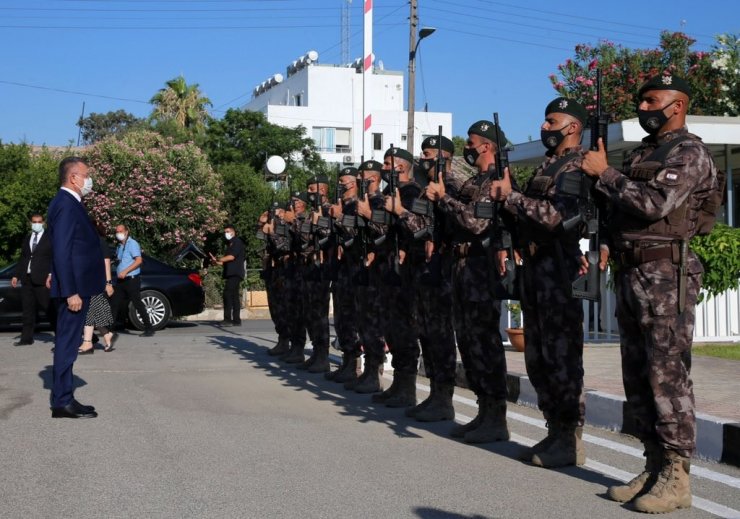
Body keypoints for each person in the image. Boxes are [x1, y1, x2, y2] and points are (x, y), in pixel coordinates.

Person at [582, 73, 724, 513]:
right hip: (632, 270)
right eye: (642, 101)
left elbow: (652, 205)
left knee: (668, 376)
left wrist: (604, 173)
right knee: (638, 374)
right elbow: (623, 211)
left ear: (677, 105)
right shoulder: (646, 153)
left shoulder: (690, 152)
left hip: (666, 274)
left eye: (651, 100)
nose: (643, 108)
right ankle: (654, 462)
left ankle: (677, 476)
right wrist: (604, 238)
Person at [489, 97, 591, 467]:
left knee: (562, 357)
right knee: (539, 357)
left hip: (557, 270)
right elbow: (526, 218)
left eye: (552, 121)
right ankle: (555, 432)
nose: (544, 127)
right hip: (535, 267)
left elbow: (555, 217)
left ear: (573, 127)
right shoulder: (549, 166)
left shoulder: (578, 165)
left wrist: (512, 197)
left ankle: (569, 438)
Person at [424, 120, 511, 443]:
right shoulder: (475, 180)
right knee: (469, 343)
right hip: (461, 267)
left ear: (487, 146)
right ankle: (484, 411)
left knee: (484, 343)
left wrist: (444, 197)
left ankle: (496, 417)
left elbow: (475, 223)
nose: (468, 148)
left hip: (480, 267)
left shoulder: (496, 180)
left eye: (472, 143)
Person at [391, 135, 458, 422]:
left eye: (429, 154)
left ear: (444, 156)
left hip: (440, 271)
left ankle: (444, 399)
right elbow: (420, 228)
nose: (424, 159)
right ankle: (435, 395)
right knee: (428, 335)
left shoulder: (453, 187)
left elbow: (424, 227)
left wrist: (399, 212)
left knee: (440, 336)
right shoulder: (425, 190)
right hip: (423, 271)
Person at [47, 157, 104, 418]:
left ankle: (66, 396)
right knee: (68, 344)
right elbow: (62, 249)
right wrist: (70, 291)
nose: (89, 180)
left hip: (77, 287)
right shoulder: (66, 204)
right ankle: (61, 401)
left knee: (69, 344)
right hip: (75, 291)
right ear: (73, 178)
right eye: (86, 175)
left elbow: (63, 246)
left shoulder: (69, 203)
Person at [11, 213, 56, 346]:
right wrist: (16, 275)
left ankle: (61, 337)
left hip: (42, 279)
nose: (36, 224)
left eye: (39, 222)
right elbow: (24, 257)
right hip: (27, 278)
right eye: (34, 222)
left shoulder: (50, 238)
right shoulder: (28, 237)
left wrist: (50, 274)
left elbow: (54, 258)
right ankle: (26, 338)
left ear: (43, 223)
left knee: (49, 308)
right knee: (28, 310)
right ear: (31, 223)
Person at [79, 222, 118, 354]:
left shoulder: (100, 242)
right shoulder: (85, 243)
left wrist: (108, 282)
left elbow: (106, 262)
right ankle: (107, 335)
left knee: (90, 311)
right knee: (97, 313)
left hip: (97, 281)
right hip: (86, 281)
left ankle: (87, 343)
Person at [110, 224, 154, 337]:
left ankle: (149, 328)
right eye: (117, 231)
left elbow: (138, 260)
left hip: (131, 279)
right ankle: (111, 329)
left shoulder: (132, 244)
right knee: (115, 303)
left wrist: (126, 271)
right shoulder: (119, 246)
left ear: (126, 231)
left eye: (120, 231)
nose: (118, 234)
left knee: (137, 303)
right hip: (121, 280)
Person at [210, 224, 246, 327]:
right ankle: (236, 320)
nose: (226, 234)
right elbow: (225, 262)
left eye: (227, 231)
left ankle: (227, 319)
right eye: (225, 232)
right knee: (234, 296)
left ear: (233, 232)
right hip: (231, 273)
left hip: (235, 273)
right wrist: (216, 262)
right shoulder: (230, 244)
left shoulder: (237, 242)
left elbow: (231, 257)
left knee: (227, 294)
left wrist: (218, 259)